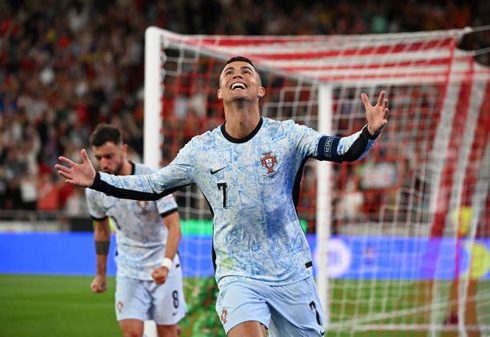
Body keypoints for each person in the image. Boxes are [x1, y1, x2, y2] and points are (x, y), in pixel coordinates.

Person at [56, 56, 389, 337]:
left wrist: (368, 132)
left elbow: (342, 150)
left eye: (246, 72)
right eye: (229, 73)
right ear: (219, 93)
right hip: (237, 272)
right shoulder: (201, 149)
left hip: (290, 270)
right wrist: (98, 180)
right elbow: (153, 184)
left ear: (260, 90)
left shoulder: (288, 135)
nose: (237, 75)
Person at [84, 124, 187, 337]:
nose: (104, 163)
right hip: (129, 269)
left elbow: (174, 226)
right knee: (131, 333)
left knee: (168, 332)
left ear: (123, 149)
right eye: (99, 157)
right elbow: (102, 230)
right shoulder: (95, 189)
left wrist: (166, 265)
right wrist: (101, 274)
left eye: (109, 156)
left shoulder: (152, 179)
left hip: (162, 265)